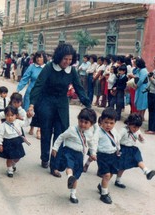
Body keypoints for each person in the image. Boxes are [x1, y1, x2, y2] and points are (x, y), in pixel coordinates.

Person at [29, 43, 91, 177]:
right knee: (46, 131)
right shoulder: (49, 68)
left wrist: (87, 103)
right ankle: (45, 157)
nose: (67, 62)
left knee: (61, 133)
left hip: (62, 103)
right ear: (59, 57)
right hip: (46, 101)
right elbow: (38, 85)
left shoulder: (72, 70)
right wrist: (32, 104)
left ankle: (54, 165)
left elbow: (79, 87)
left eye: (70, 60)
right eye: (65, 59)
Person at [51, 108, 97, 204]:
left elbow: (92, 144)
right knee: (69, 166)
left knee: (76, 175)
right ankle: (69, 177)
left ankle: (73, 194)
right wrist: (55, 148)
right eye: (81, 121)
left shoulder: (89, 134)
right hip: (68, 152)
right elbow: (61, 137)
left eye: (86, 122)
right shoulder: (72, 130)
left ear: (91, 124)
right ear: (78, 120)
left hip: (79, 155)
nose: (83, 124)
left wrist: (93, 153)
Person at [116, 113, 155, 189]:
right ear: (128, 124)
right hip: (123, 149)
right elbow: (117, 139)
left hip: (132, 149)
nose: (136, 129)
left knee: (138, 159)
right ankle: (118, 180)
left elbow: (142, 141)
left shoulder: (137, 131)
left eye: (138, 127)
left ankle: (146, 171)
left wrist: (141, 139)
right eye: (134, 127)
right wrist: (117, 149)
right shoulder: (123, 130)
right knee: (122, 166)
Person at [0, 105, 33, 178]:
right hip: (7, 143)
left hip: (17, 142)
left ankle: (13, 164)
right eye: (7, 115)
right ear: (5, 116)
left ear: (16, 115)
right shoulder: (3, 125)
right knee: (9, 157)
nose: (10, 117)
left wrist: (28, 117)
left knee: (18, 156)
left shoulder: (18, 122)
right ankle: (9, 169)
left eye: (12, 115)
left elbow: (26, 124)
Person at [17, 51, 47, 139]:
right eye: (37, 57)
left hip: (43, 92)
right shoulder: (31, 67)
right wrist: (18, 89)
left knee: (41, 111)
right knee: (30, 110)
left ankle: (39, 130)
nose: (38, 59)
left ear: (44, 58)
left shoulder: (47, 68)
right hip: (31, 91)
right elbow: (25, 78)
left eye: (40, 57)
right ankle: (32, 127)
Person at [96, 107, 121, 204]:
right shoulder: (98, 132)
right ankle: (104, 194)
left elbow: (117, 141)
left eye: (111, 123)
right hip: (102, 155)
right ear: (101, 120)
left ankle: (101, 185)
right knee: (106, 175)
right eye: (106, 122)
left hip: (113, 155)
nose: (108, 125)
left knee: (111, 173)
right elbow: (93, 143)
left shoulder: (114, 131)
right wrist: (93, 153)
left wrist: (118, 150)